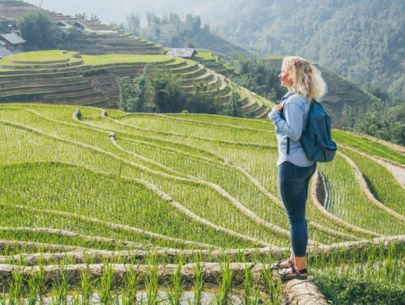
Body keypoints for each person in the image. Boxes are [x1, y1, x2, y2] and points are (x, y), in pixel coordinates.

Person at [268, 56, 327, 280]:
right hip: (306, 164)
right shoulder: (305, 98)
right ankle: (294, 260)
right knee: (298, 217)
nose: (280, 75)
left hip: (291, 165)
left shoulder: (293, 102)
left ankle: (299, 269)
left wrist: (274, 116)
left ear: (292, 75)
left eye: (283, 71)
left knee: (296, 219)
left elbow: (293, 132)